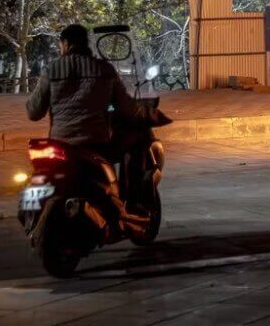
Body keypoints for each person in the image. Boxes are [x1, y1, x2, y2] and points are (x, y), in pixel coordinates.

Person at [26, 24, 170, 232]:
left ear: (65, 44)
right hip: (95, 144)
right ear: (87, 44)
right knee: (137, 143)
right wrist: (147, 113)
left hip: (60, 143)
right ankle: (134, 203)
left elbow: (33, 112)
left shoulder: (51, 70)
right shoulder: (104, 70)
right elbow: (128, 108)